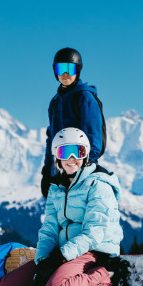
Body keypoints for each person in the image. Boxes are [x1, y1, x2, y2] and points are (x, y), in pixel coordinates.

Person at [2, 128, 123, 286]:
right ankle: (68, 274)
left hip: (95, 251)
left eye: (78, 152)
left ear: (86, 154)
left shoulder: (98, 185)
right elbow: (50, 228)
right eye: (65, 152)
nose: (71, 159)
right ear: (57, 156)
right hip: (66, 251)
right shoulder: (56, 188)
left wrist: (59, 257)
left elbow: (94, 232)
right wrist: (44, 260)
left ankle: (108, 277)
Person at [41, 47, 106, 198]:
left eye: (70, 69)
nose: (65, 74)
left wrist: (86, 168)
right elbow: (51, 138)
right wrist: (47, 170)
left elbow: (93, 134)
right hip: (60, 169)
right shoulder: (55, 102)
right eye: (60, 69)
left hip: (78, 168)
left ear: (78, 70)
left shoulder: (85, 97)